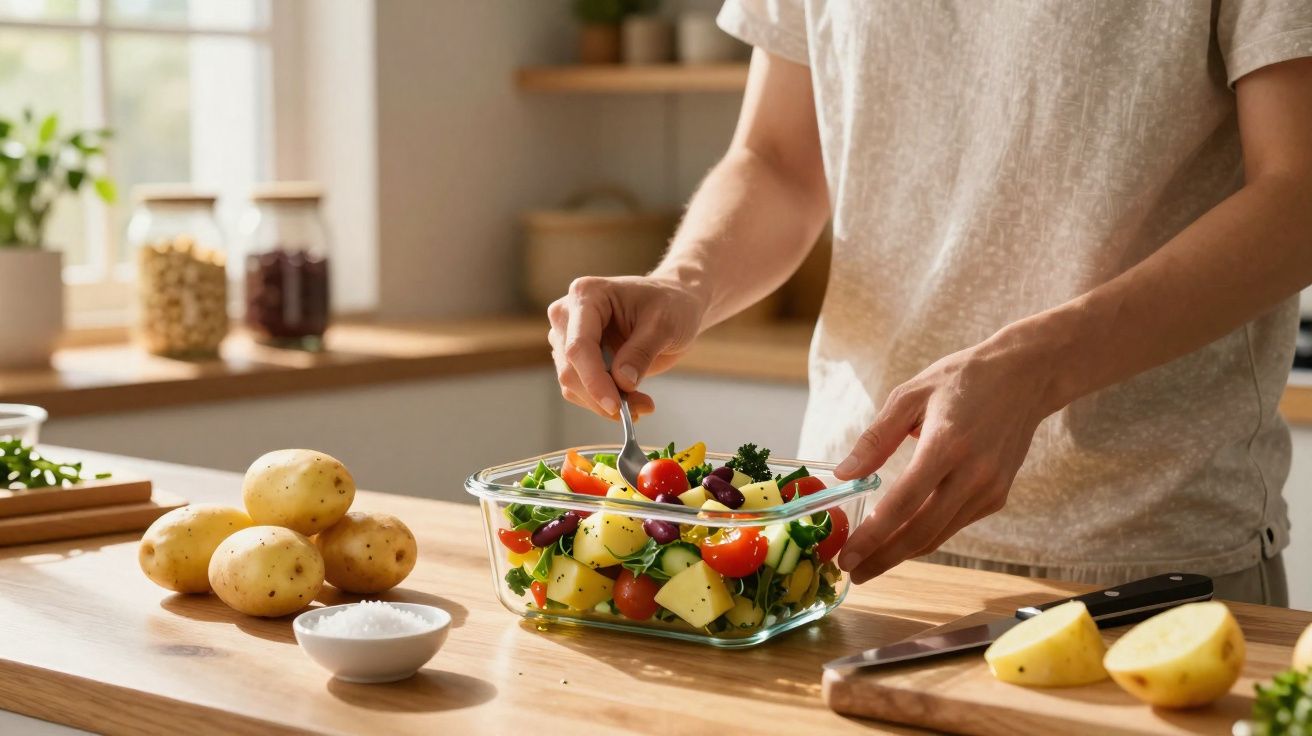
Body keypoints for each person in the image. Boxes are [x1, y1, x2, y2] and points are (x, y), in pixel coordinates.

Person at [546, 1, 1312, 605]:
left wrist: (1036, 369)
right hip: (848, 542)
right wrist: (684, 282)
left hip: (1146, 558)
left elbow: (1298, 196)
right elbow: (778, 160)